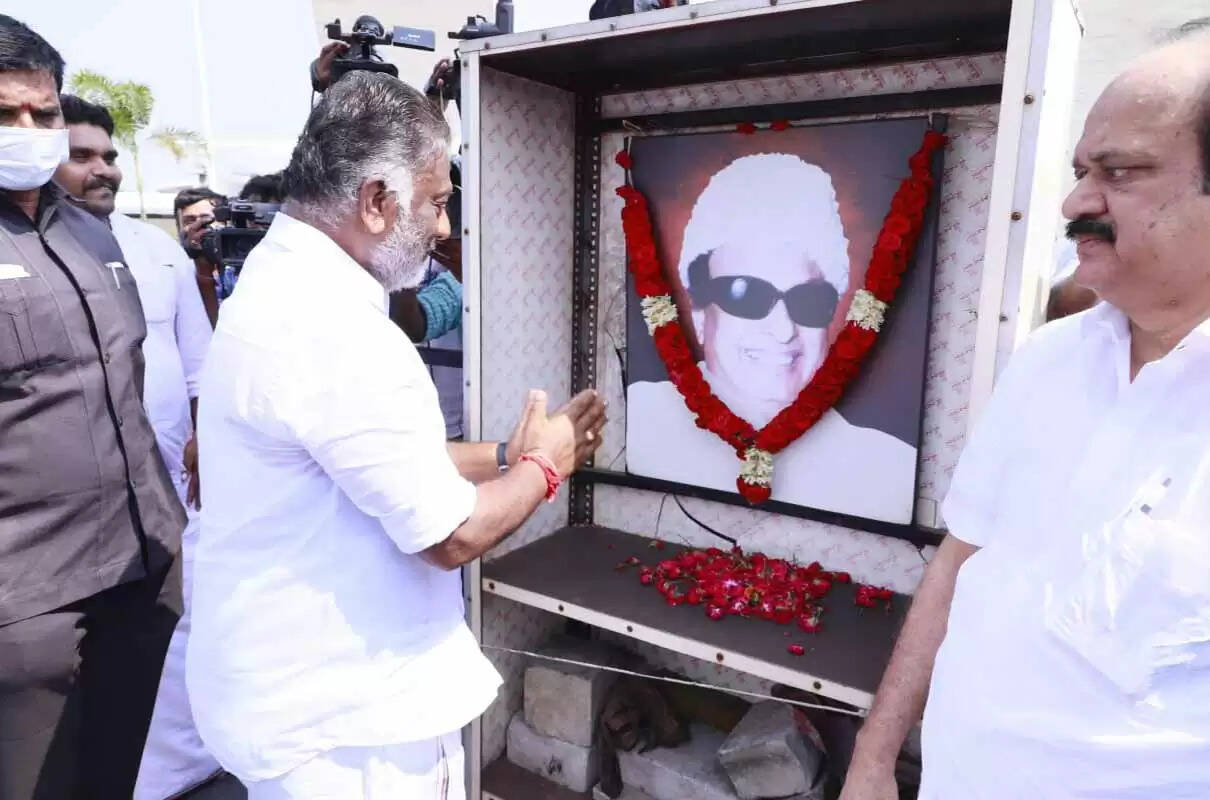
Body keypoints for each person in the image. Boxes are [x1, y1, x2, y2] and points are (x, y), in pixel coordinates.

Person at [187, 72, 605, 799]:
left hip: (298, 702)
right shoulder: (336, 327)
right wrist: (547, 464)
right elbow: (450, 536)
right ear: (377, 200)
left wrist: (504, 456)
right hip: (350, 733)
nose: (444, 229)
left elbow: (368, 460)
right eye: (437, 203)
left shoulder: (284, 284)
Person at [841, 24, 1210, 800]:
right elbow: (960, 561)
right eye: (1080, 171)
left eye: (1120, 172)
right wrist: (874, 756)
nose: (1076, 202)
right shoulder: (1050, 358)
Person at [0, 15, 185, 798]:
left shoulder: (94, 234)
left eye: (42, 112)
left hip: (139, 574)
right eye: (5, 113)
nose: (28, 129)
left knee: (114, 779)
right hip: (26, 604)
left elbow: (126, 384)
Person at [50, 94, 224, 799]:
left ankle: (188, 767)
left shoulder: (158, 252)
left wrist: (203, 442)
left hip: (169, 491)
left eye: (109, 155)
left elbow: (200, 366)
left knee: (180, 626)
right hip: (64, 512)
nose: (103, 169)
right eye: (81, 155)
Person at [627, 153, 917, 523]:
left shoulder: (885, 463)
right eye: (746, 296)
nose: (783, 331)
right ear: (699, 315)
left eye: (809, 300)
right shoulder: (637, 416)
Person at [175, 185, 224, 325]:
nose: (197, 226)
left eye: (206, 219)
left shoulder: (240, 267)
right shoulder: (174, 271)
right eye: (189, 221)